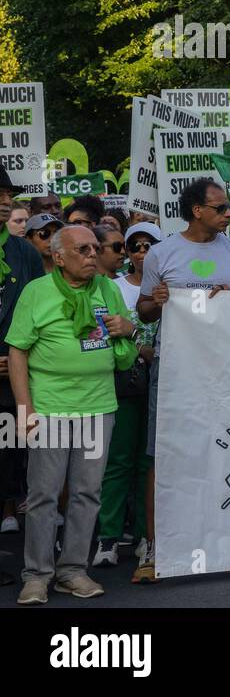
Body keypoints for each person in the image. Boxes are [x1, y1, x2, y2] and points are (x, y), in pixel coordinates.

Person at [133, 178, 230, 584]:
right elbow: (144, 311)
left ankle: (223, 537)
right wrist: (157, 301)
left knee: (225, 452)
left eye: (228, 208)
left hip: (226, 372)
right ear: (196, 211)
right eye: (221, 208)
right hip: (173, 370)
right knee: (162, 454)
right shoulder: (162, 252)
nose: (228, 214)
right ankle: (154, 546)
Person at [6, 224, 138, 604]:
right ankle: (37, 575)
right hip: (49, 408)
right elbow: (18, 351)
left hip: (98, 407)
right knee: (44, 495)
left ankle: (73, 571)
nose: (92, 255)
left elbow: (125, 340)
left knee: (87, 493)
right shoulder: (37, 292)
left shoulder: (108, 289)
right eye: (82, 250)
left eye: (95, 248)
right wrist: (24, 408)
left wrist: (127, 328)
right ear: (59, 257)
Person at [92, 221, 161, 568]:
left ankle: (146, 534)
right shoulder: (113, 288)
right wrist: (140, 344)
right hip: (127, 382)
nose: (139, 252)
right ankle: (109, 536)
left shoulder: (168, 286)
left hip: (163, 381)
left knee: (149, 460)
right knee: (119, 459)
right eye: (131, 246)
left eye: (149, 245)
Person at [0, 168, 47, 548]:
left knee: (10, 466)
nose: (4, 202)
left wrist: (21, 356)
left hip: (14, 381)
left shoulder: (24, 253)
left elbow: (38, 311)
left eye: (7, 194)